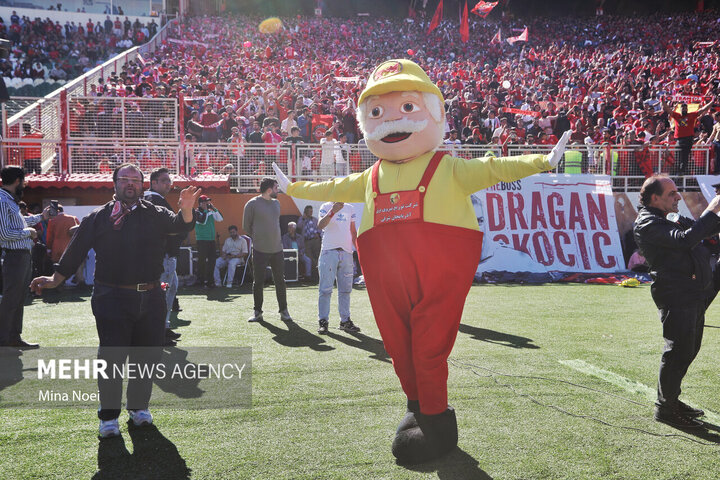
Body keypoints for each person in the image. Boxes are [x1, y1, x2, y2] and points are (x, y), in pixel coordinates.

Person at [273, 59, 570, 464]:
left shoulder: (448, 167)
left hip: (437, 269)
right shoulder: (369, 178)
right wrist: (295, 186)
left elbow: (492, 168)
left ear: (434, 112)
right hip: (386, 275)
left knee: (428, 345)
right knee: (398, 344)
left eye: (408, 107)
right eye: (377, 112)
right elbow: (333, 186)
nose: (391, 121)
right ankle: (417, 405)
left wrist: (542, 161)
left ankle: (435, 417)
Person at [30, 163, 200, 438]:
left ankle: (138, 408)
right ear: (115, 183)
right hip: (111, 295)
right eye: (124, 179)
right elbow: (76, 250)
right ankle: (108, 417)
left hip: (152, 295)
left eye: (135, 180)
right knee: (112, 358)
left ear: (142, 185)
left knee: (147, 357)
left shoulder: (155, 213)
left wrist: (187, 208)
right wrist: (55, 279)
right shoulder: (99, 217)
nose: (130, 183)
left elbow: (180, 226)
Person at [633, 174, 720, 429]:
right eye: (671, 193)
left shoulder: (668, 217)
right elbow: (686, 239)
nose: (678, 197)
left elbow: (702, 232)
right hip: (676, 294)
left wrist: (715, 219)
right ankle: (666, 408)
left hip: (692, 291)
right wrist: (713, 208)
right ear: (654, 198)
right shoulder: (647, 222)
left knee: (688, 349)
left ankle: (671, 400)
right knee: (678, 351)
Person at [0, 166, 51, 350]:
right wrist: (28, 232)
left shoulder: (8, 199)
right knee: (12, 298)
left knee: (18, 297)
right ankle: (4, 339)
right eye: (24, 180)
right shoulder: (2, 200)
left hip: (20, 256)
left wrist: (41, 217)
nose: (26, 183)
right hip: (14, 256)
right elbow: (4, 234)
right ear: (17, 181)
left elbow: (18, 224)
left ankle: (13, 337)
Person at [143, 167, 185, 346]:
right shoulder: (154, 200)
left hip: (162, 255)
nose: (169, 184)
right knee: (162, 293)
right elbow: (169, 228)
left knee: (171, 289)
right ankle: (158, 332)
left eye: (169, 180)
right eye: (164, 180)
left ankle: (163, 327)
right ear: (154, 183)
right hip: (163, 256)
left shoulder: (151, 199)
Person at [242, 178, 292, 323]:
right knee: (258, 282)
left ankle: (284, 311)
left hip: (277, 249)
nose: (278, 190)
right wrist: (259, 239)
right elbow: (246, 227)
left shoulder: (277, 203)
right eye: (276, 188)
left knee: (280, 281)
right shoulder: (251, 204)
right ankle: (257, 312)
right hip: (259, 250)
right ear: (269, 190)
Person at [316, 201, 359, 334]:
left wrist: (359, 250)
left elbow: (353, 231)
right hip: (329, 252)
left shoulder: (350, 207)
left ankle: (345, 321)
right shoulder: (326, 206)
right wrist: (332, 211)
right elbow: (320, 225)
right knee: (325, 290)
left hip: (346, 252)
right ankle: (323, 321)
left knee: (345, 290)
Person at [662, 99, 714, 175]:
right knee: (678, 157)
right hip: (679, 140)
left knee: (684, 157)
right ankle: (679, 172)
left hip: (688, 140)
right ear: (680, 109)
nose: (684, 109)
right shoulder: (677, 115)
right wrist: (663, 101)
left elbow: (703, 109)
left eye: (685, 108)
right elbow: (667, 109)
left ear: (687, 109)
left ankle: (681, 172)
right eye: (682, 108)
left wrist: (712, 102)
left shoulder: (691, 115)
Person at [194, 195, 223, 287]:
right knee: (201, 261)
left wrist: (214, 208)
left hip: (211, 240)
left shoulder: (210, 211)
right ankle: (200, 281)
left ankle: (210, 281)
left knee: (212, 261)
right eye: (205, 202)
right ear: (200, 203)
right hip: (202, 240)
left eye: (208, 202)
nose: (207, 204)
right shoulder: (196, 212)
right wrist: (207, 211)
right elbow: (202, 221)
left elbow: (220, 219)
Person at [296, 204, 321, 276]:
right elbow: (299, 226)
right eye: (309, 211)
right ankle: (312, 272)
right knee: (309, 257)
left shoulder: (315, 219)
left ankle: (317, 272)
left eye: (312, 211)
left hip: (315, 240)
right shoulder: (301, 219)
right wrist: (303, 219)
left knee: (317, 255)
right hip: (307, 241)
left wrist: (318, 233)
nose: (311, 213)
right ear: (305, 212)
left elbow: (320, 228)